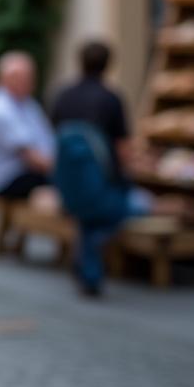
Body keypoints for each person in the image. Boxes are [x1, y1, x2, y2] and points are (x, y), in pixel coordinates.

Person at [50, 40, 151, 296]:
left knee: (87, 220)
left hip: (68, 189)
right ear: (109, 65)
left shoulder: (63, 96)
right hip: (104, 190)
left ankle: (86, 260)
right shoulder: (111, 99)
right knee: (142, 204)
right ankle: (91, 255)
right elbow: (123, 149)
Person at [0, 51, 54, 199]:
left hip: (24, 173)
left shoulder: (25, 102)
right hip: (7, 179)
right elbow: (31, 156)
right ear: (5, 78)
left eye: (30, 77)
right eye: (23, 78)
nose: (30, 82)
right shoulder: (1, 108)